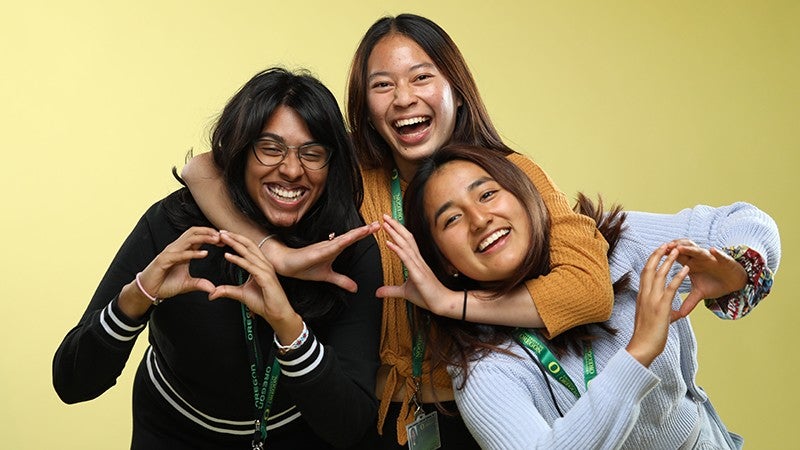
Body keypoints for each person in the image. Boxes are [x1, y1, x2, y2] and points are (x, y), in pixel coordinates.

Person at [182, 14, 615, 448]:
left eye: (421, 77)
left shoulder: (509, 175)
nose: (404, 98)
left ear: (457, 92)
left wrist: (453, 303)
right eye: (383, 85)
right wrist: (272, 252)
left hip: (493, 411)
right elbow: (201, 169)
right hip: (372, 416)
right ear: (366, 109)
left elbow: (588, 291)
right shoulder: (351, 168)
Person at [52, 67, 383, 449]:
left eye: (312, 154)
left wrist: (288, 327)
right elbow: (71, 383)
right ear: (239, 152)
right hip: (171, 431)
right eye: (270, 148)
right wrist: (136, 298)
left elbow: (349, 425)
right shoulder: (174, 225)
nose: (292, 170)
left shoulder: (345, 246)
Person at [380, 144, 779, 449]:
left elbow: (745, 222)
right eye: (451, 218)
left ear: (525, 196)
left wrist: (738, 266)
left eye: (487, 195)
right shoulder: (482, 366)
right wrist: (637, 355)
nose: (480, 219)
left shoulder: (616, 247)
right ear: (445, 263)